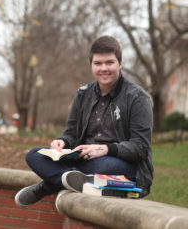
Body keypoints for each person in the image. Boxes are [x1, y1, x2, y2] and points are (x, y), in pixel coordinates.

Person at [15, 35, 153, 206]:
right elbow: (72, 133)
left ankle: (48, 186)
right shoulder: (83, 94)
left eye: (109, 62)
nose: (104, 68)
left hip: (119, 165)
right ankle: (72, 179)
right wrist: (62, 142)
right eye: (98, 63)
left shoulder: (138, 98)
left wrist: (105, 149)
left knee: (102, 167)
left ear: (120, 63)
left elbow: (141, 148)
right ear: (91, 65)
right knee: (34, 155)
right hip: (81, 158)